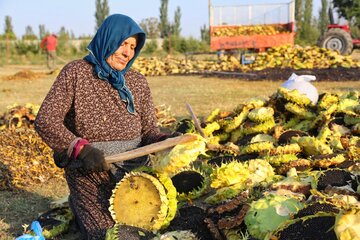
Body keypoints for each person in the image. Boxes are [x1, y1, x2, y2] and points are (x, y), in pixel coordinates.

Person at [35, 14, 174, 239]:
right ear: (108, 39)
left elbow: (149, 132)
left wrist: (164, 140)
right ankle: (81, 204)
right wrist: (82, 149)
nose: (128, 52)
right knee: (109, 234)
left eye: (133, 46)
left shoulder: (137, 81)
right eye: (123, 43)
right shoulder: (76, 73)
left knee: (152, 227)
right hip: (90, 173)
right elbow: (46, 120)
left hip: (136, 173)